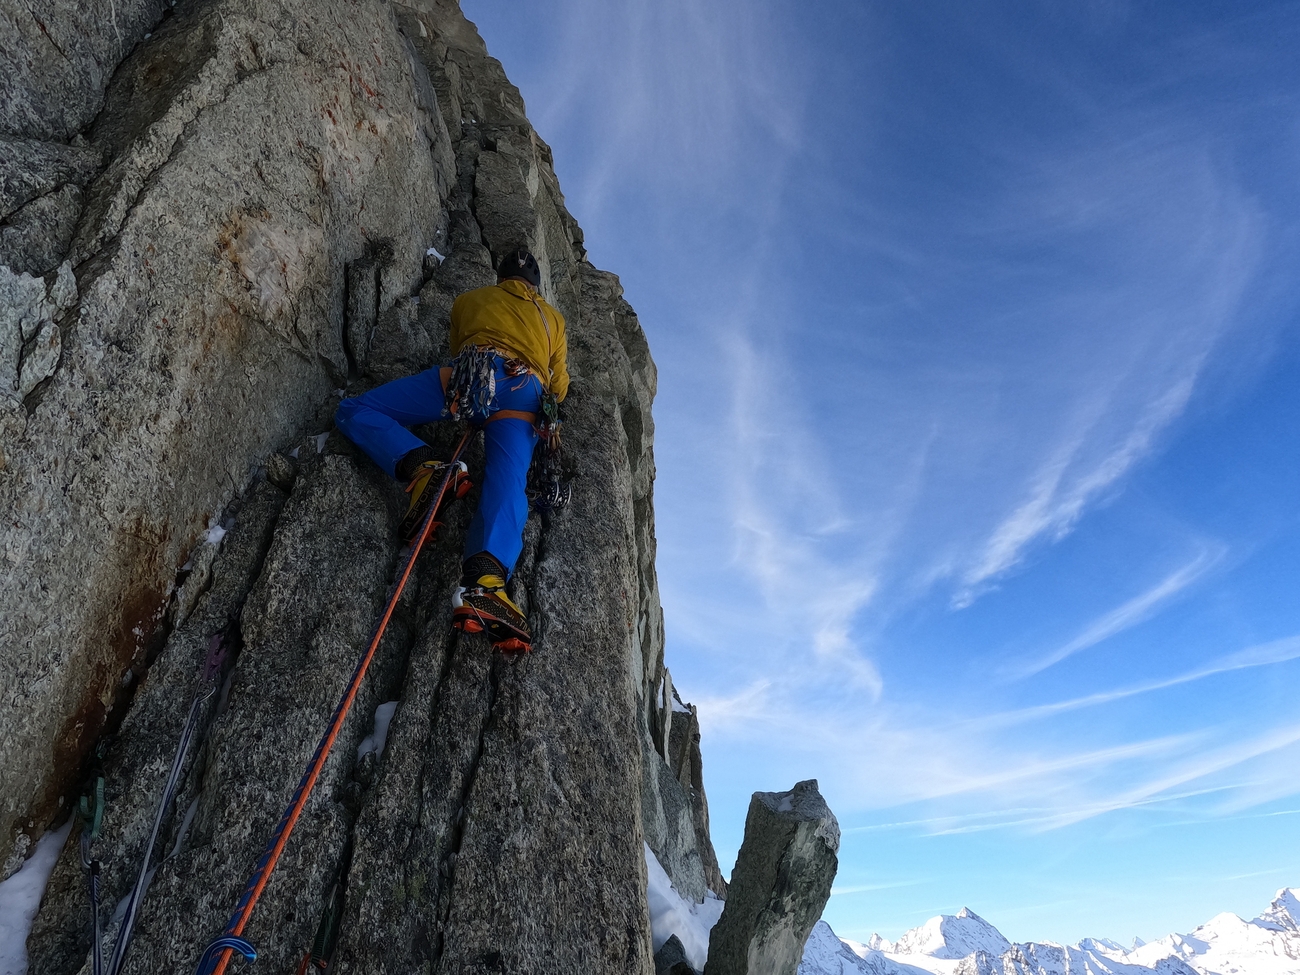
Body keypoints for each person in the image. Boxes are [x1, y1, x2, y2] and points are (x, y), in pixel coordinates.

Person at [335, 245, 568, 652]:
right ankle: (486, 587)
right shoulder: (553, 320)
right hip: (526, 394)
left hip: (474, 376)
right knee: (507, 482)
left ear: (501, 277)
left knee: (357, 409)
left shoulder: (469, 300)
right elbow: (559, 384)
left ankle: (424, 467)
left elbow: (459, 345)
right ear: (535, 285)